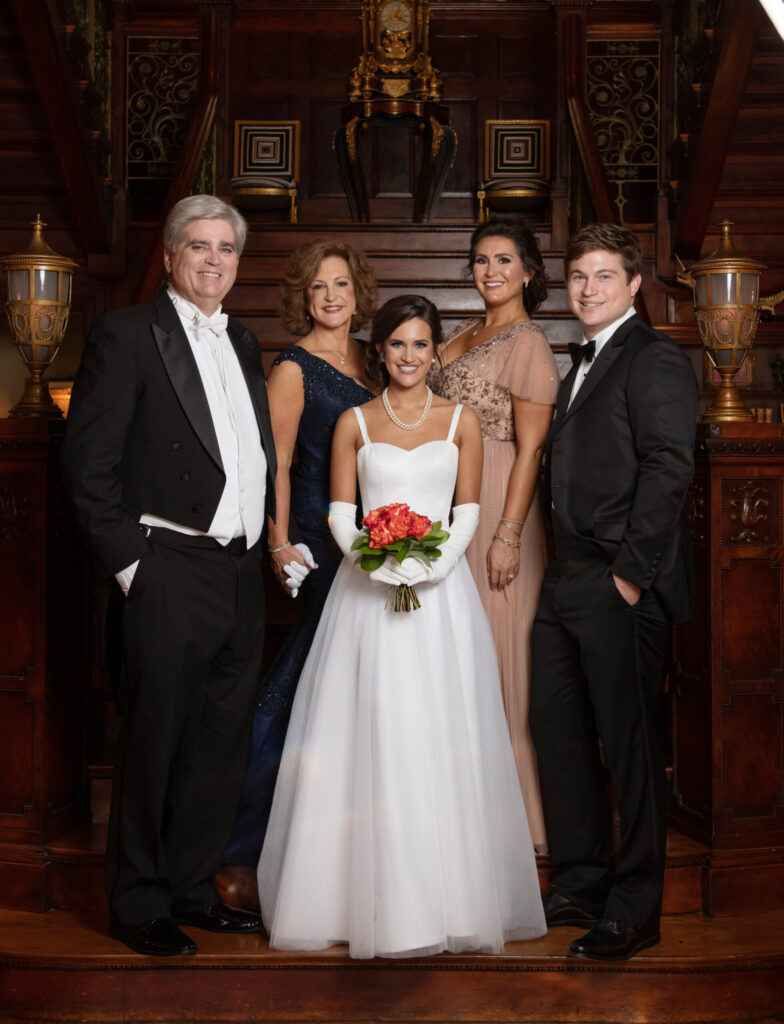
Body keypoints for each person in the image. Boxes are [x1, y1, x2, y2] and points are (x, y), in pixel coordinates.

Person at [258, 295, 547, 959]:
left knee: (435, 733)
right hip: (366, 595)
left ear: (432, 350)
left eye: (421, 345)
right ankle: (347, 901)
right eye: (397, 346)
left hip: (441, 598)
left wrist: (432, 565)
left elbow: (469, 512)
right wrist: (377, 562)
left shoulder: (461, 422)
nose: (410, 357)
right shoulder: (355, 422)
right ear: (379, 351)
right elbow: (338, 512)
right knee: (365, 732)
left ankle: (443, 902)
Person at [62, 195, 282, 956]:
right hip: (167, 567)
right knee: (154, 744)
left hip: (237, 571)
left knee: (218, 745)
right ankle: (138, 901)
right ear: (169, 254)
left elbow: (251, 456)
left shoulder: (244, 340)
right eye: (199, 246)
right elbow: (88, 466)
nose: (214, 260)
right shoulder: (127, 334)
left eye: (226, 248)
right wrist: (133, 570)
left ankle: (191, 887)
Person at [529, 223, 698, 961]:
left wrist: (630, 574)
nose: (588, 289)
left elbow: (668, 467)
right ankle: (579, 880)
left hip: (618, 581)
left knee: (629, 748)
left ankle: (634, 909)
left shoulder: (655, 359)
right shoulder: (580, 366)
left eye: (604, 276)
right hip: (563, 578)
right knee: (558, 733)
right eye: (579, 278)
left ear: (634, 285)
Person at [216, 238, 378, 908]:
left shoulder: (372, 360)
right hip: (317, 546)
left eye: (341, 284)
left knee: (341, 691)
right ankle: (237, 853)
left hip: (369, 541)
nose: (332, 297)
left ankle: (328, 852)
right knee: (294, 685)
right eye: (319, 288)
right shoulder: (293, 369)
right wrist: (280, 544)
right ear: (303, 299)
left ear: (358, 293)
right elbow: (274, 463)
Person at [429, 219, 558, 853]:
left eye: (505, 260)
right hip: (455, 503)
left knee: (502, 654)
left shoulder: (528, 341)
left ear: (529, 271)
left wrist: (508, 534)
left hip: (503, 501)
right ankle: (462, 812)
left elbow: (532, 448)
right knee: (459, 653)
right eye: (481, 260)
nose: (491, 271)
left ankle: (519, 827)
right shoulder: (465, 334)